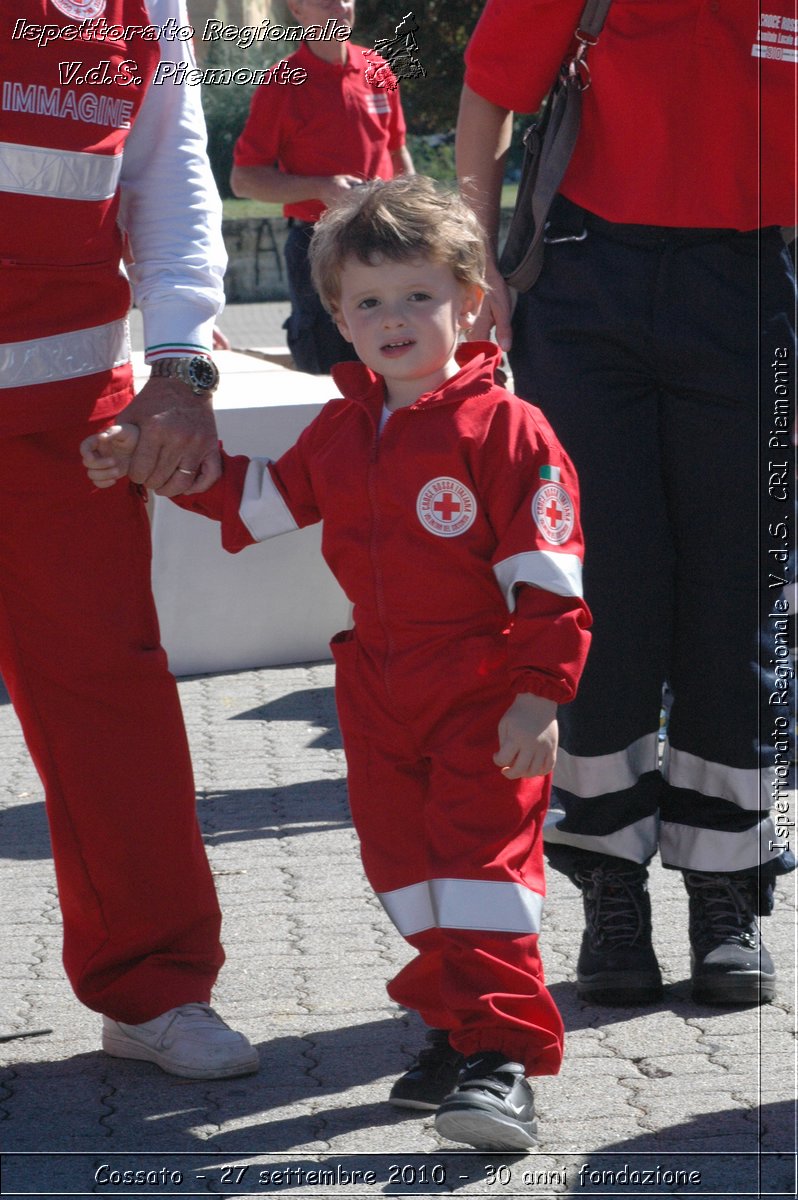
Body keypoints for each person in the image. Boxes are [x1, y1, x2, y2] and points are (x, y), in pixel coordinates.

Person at [81, 176, 592, 1151]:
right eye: (369, 302)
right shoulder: (345, 426)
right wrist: (152, 463)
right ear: (338, 319)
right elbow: (254, 500)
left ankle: (502, 1063)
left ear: (470, 302)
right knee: (407, 873)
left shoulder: (508, 431)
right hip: (375, 693)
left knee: (483, 878)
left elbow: (550, 579)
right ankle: (451, 1029)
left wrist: (539, 693)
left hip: (479, 691)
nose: (393, 320)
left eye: (417, 296)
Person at [456, 0, 796, 1007]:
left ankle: (724, 889)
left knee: (739, 591)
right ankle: (612, 890)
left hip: (753, 287)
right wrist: (478, 262)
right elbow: (488, 95)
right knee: (605, 590)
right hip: (587, 279)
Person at [0, 0, 257, 1078]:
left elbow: (170, 180)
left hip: (71, 421)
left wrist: (184, 365)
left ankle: (153, 986)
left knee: (111, 697)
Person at [230, 0, 414, 375]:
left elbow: (397, 154)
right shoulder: (282, 84)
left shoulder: (377, 67)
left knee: (397, 358)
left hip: (385, 239)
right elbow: (243, 179)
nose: (341, 7)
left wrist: (416, 216)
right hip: (319, 243)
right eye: (326, 0)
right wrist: (322, 188)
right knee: (326, 369)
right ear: (298, 11)